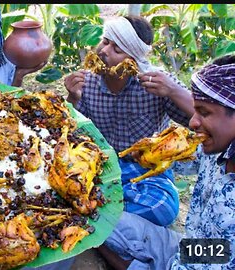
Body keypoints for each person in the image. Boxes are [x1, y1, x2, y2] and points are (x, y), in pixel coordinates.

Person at [98, 54, 235, 269]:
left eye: (205, 113)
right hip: (196, 248)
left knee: (104, 241)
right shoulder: (218, 148)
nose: (193, 122)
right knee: (100, 221)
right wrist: (151, 153)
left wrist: (120, 262)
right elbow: (186, 160)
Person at [63, 15, 194, 226]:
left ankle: (96, 214)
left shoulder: (156, 83)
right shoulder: (86, 82)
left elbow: (201, 119)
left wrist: (174, 90)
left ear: (133, 59)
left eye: (117, 49)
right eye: (105, 42)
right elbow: (72, 132)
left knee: (162, 209)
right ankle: (112, 217)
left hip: (145, 170)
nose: (104, 51)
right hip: (100, 166)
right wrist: (72, 98)